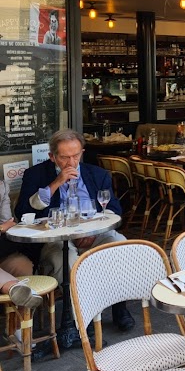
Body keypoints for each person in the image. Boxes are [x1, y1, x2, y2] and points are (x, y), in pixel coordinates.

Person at [15, 129, 133, 331]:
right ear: (52, 156)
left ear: (82, 152)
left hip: (93, 232)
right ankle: (80, 313)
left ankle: (119, 306)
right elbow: (22, 212)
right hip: (55, 235)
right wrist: (56, 182)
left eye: (76, 155)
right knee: (66, 260)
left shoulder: (97, 174)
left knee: (119, 244)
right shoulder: (35, 174)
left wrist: (93, 232)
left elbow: (114, 209)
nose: (71, 162)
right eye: (64, 157)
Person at [0, 179, 42, 308]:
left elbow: (8, 222)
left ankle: (18, 325)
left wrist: (4, 227)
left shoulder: (2, 186)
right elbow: (3, 226)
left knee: (22, 265)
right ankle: (15, 287)